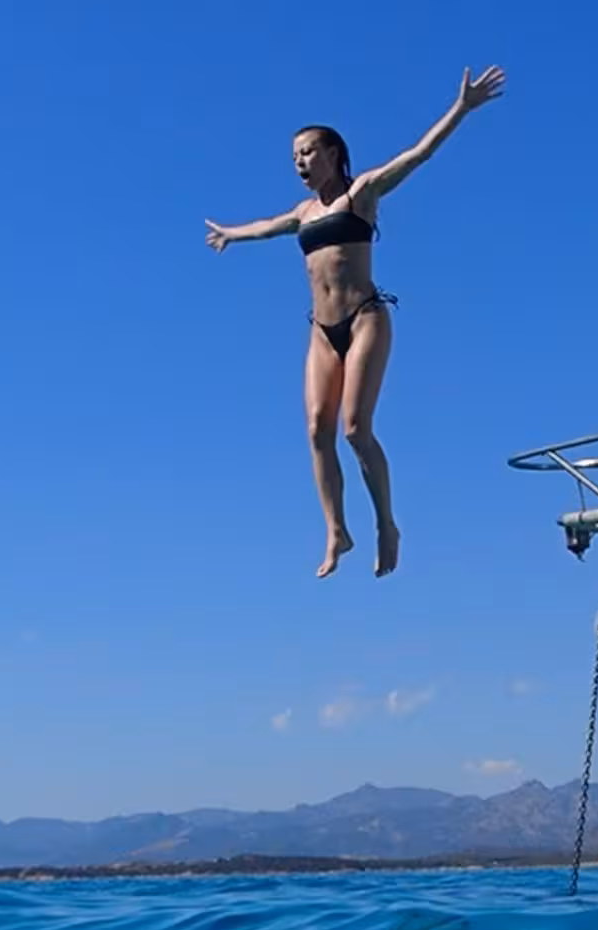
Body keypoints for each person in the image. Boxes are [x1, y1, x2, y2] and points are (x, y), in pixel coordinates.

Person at [205, 65, 507, 578]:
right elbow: (263, 227)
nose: (300, 161)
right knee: (317, 429)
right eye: (294, 156)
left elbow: (419, 154)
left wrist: (461, 109)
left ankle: (386, 525)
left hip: (365, 317)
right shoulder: (302, 214)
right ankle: (337, 531)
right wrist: (231, 234)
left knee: (354, 428)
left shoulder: (361, 193)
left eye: (309, 152)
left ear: (333, 154)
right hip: (322, 331)